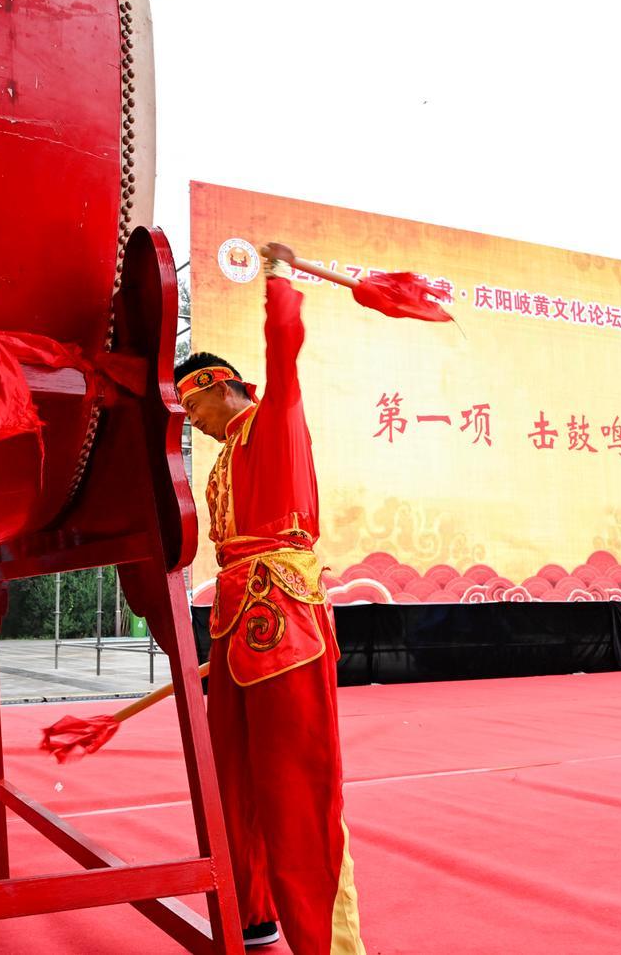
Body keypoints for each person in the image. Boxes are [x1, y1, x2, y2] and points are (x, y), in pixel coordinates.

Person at [174, 242, 365, 954]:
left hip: (286, 623)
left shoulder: (272, 420)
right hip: (234, 627)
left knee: (296, 783)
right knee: (232, 780)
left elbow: (283, 351)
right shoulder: (223, 462)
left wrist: (279, 280)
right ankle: (250, 913)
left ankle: (327, 943)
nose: (191, 419)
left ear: (222, 387)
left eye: (193, 404)